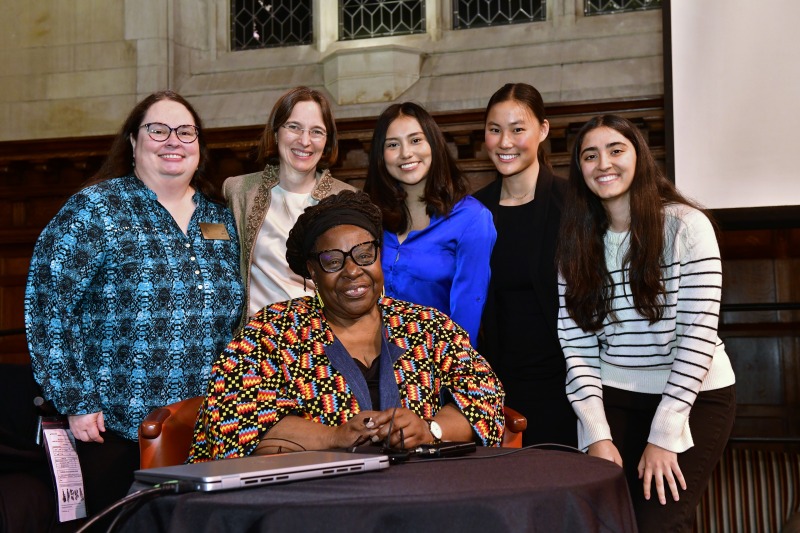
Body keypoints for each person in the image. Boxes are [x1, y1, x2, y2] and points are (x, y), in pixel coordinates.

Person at [24, 90, 244, 517]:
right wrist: (76, 400)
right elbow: (47, 303)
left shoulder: (218, 217)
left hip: (207, 425)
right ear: (132, 142)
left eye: (185, 131)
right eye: (157, 130)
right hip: (113, 427)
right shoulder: (97, 208)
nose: (173, 141)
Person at [189, 190, 504, 461]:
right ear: (312, 271)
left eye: (364, 255)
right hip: (312, 501)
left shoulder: (427, 325)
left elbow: (484, 394)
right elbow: (230, 417)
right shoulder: (273, 331)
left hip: (421, 492)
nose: (353, 271)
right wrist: (332, 438)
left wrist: (430, 429)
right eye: (333, 261)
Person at [556, 114, 736, 532]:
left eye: (616, 150)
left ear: (639, 156)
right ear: (579, 170)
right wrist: (596, 433)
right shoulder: (575, 244)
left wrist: (664, 436)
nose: (604, 163)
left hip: (694, 396)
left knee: (657, 523)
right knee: (606, 523)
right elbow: (576, 346)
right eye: (590, 155)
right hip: (615, 394)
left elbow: (697, 338)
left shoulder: (687, 227)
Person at [472, 83, 577, 448]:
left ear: (543, 131)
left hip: (570, 387)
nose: (505, 142)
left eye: (518, 129)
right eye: (494, 129)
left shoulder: (574, 203)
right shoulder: (474, 211)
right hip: (499, 390)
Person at [363, 102, 495, 341]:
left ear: (433, 144)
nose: (405, 153)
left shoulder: (472, 219)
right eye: (393, 144)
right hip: (373, 362)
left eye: (415, 140)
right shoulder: (371, 216)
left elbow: (468, 312)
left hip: (440, 363)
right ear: (381, 155)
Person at [223, 86, 354, 323]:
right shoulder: (239, 191)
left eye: (316, 131)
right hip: (255, 341)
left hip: (323, 338)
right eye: (294, 127)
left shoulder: (346, 198)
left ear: (327, 141)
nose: (304, 141)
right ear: (276, 133)